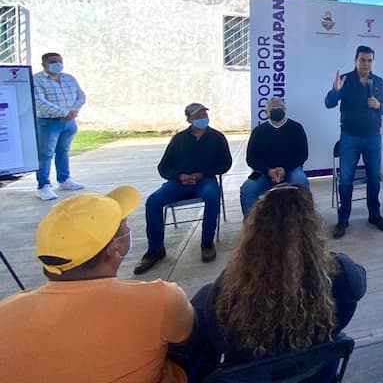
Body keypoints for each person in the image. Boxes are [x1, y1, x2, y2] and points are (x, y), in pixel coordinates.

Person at [0, 186, 195, 383]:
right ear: (115, 248)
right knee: (206, 301)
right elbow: (185, 337)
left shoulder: (6, 311)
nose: (129, 229)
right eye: (125, 224)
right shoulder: (160, 298)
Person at [186, 184, 367, 382]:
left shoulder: (226, 295)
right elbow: (360, 280)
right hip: (317, 375)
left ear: (254, 233)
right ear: (312, 229)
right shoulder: (342, 275)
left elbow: (216, 341)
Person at [134, 103, 232, 274]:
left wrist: (203, 174)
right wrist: (179, 176)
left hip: (205, 180)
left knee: (212, 196)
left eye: (204, 114)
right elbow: (163, 167)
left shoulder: (217, 137)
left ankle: (207, 243)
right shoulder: (178, 139)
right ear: (189, 119)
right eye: (198, 116)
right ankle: (155, 249)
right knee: (153, 201)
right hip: (179, 182)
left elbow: (225, 164)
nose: (202, 118)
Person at [325, 45, 383, 239]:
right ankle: (343, 219)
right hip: (350, 138)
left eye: (370, 60)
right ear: (356, 60)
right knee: (346, 180)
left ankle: (374, 215)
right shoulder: (345, 80)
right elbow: (329, 103)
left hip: (373, 138)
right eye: (363, 60)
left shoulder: (378, 82)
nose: (366, 64)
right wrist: (335, 91)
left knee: (374, 178)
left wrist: (380, 105)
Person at [239, 97, 309, 217]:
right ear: (266, 112)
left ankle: (303, 223)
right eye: (273, 108)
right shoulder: (258, 131)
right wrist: (268, 170)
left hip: (291, 169)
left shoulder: (296, 128)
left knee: (301, 182)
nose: (277, 109)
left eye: (280, 107)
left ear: (285, 109)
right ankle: (252, 228)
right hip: (263, 172)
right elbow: (251, 158)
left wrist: (284, 169)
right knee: (247, 188)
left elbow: (303, 154)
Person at [32, 52, 86, 200]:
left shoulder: (69, 78)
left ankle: (64, 180)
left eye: (59, 61)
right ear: (44, 64)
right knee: (46, 154)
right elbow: (39, 102)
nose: (57, 64)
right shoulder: (37, 80)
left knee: (63, 151)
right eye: (53, 61)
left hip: (69, 122)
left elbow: (81, 95)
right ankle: (43, 186)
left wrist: (74, 111)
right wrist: (64, 112)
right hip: (48, 122)